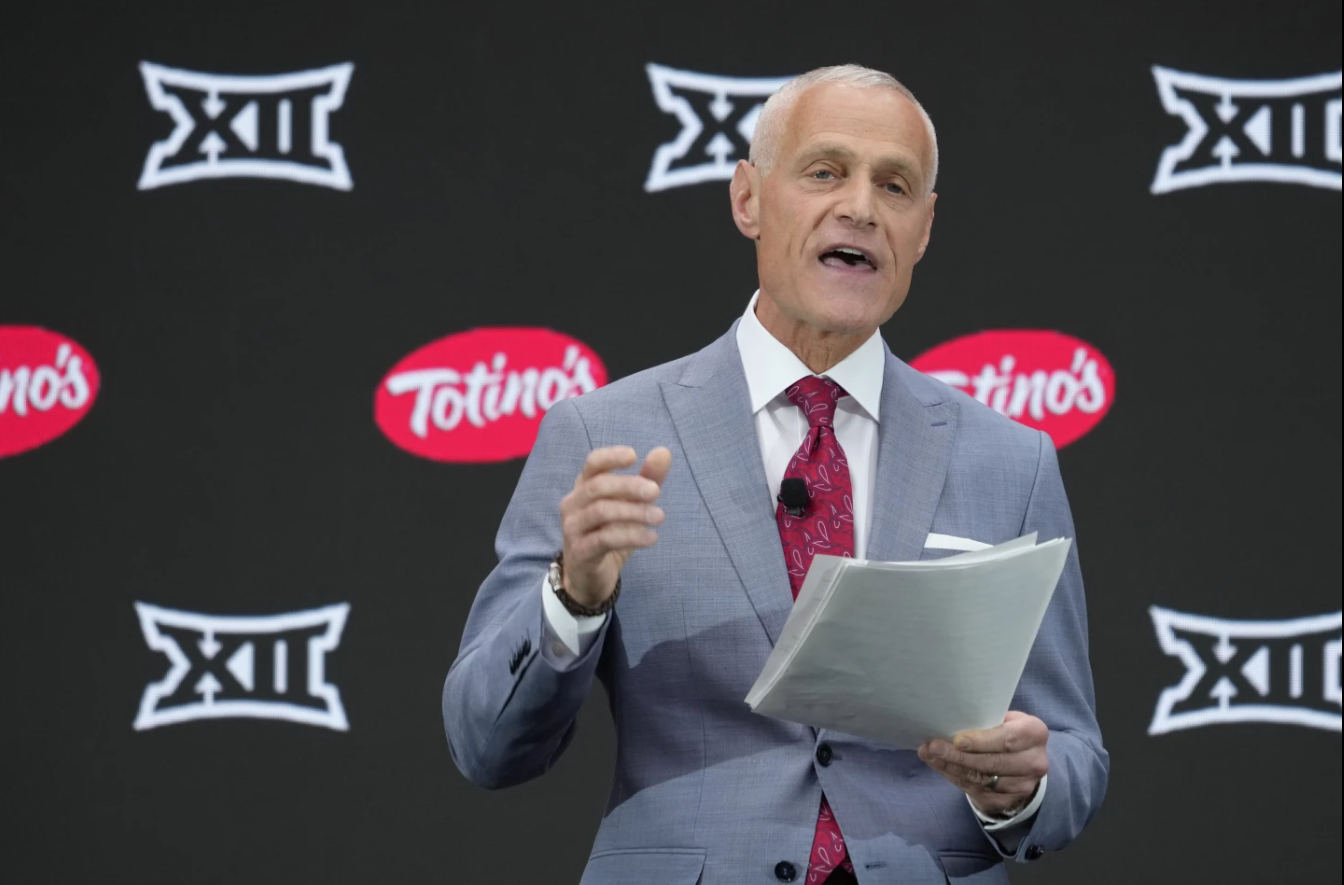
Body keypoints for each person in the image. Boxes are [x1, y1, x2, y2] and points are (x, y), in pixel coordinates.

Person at [442, 64, 1107, 885]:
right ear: (748, 199)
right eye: (825, 171)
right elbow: (485, 743)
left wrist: (1024, 784)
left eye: (894, 185)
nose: (861, 207)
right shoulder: (603, 435)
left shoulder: (1011, 459)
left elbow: (1074, 752)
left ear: (924, 229)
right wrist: (571, 597)